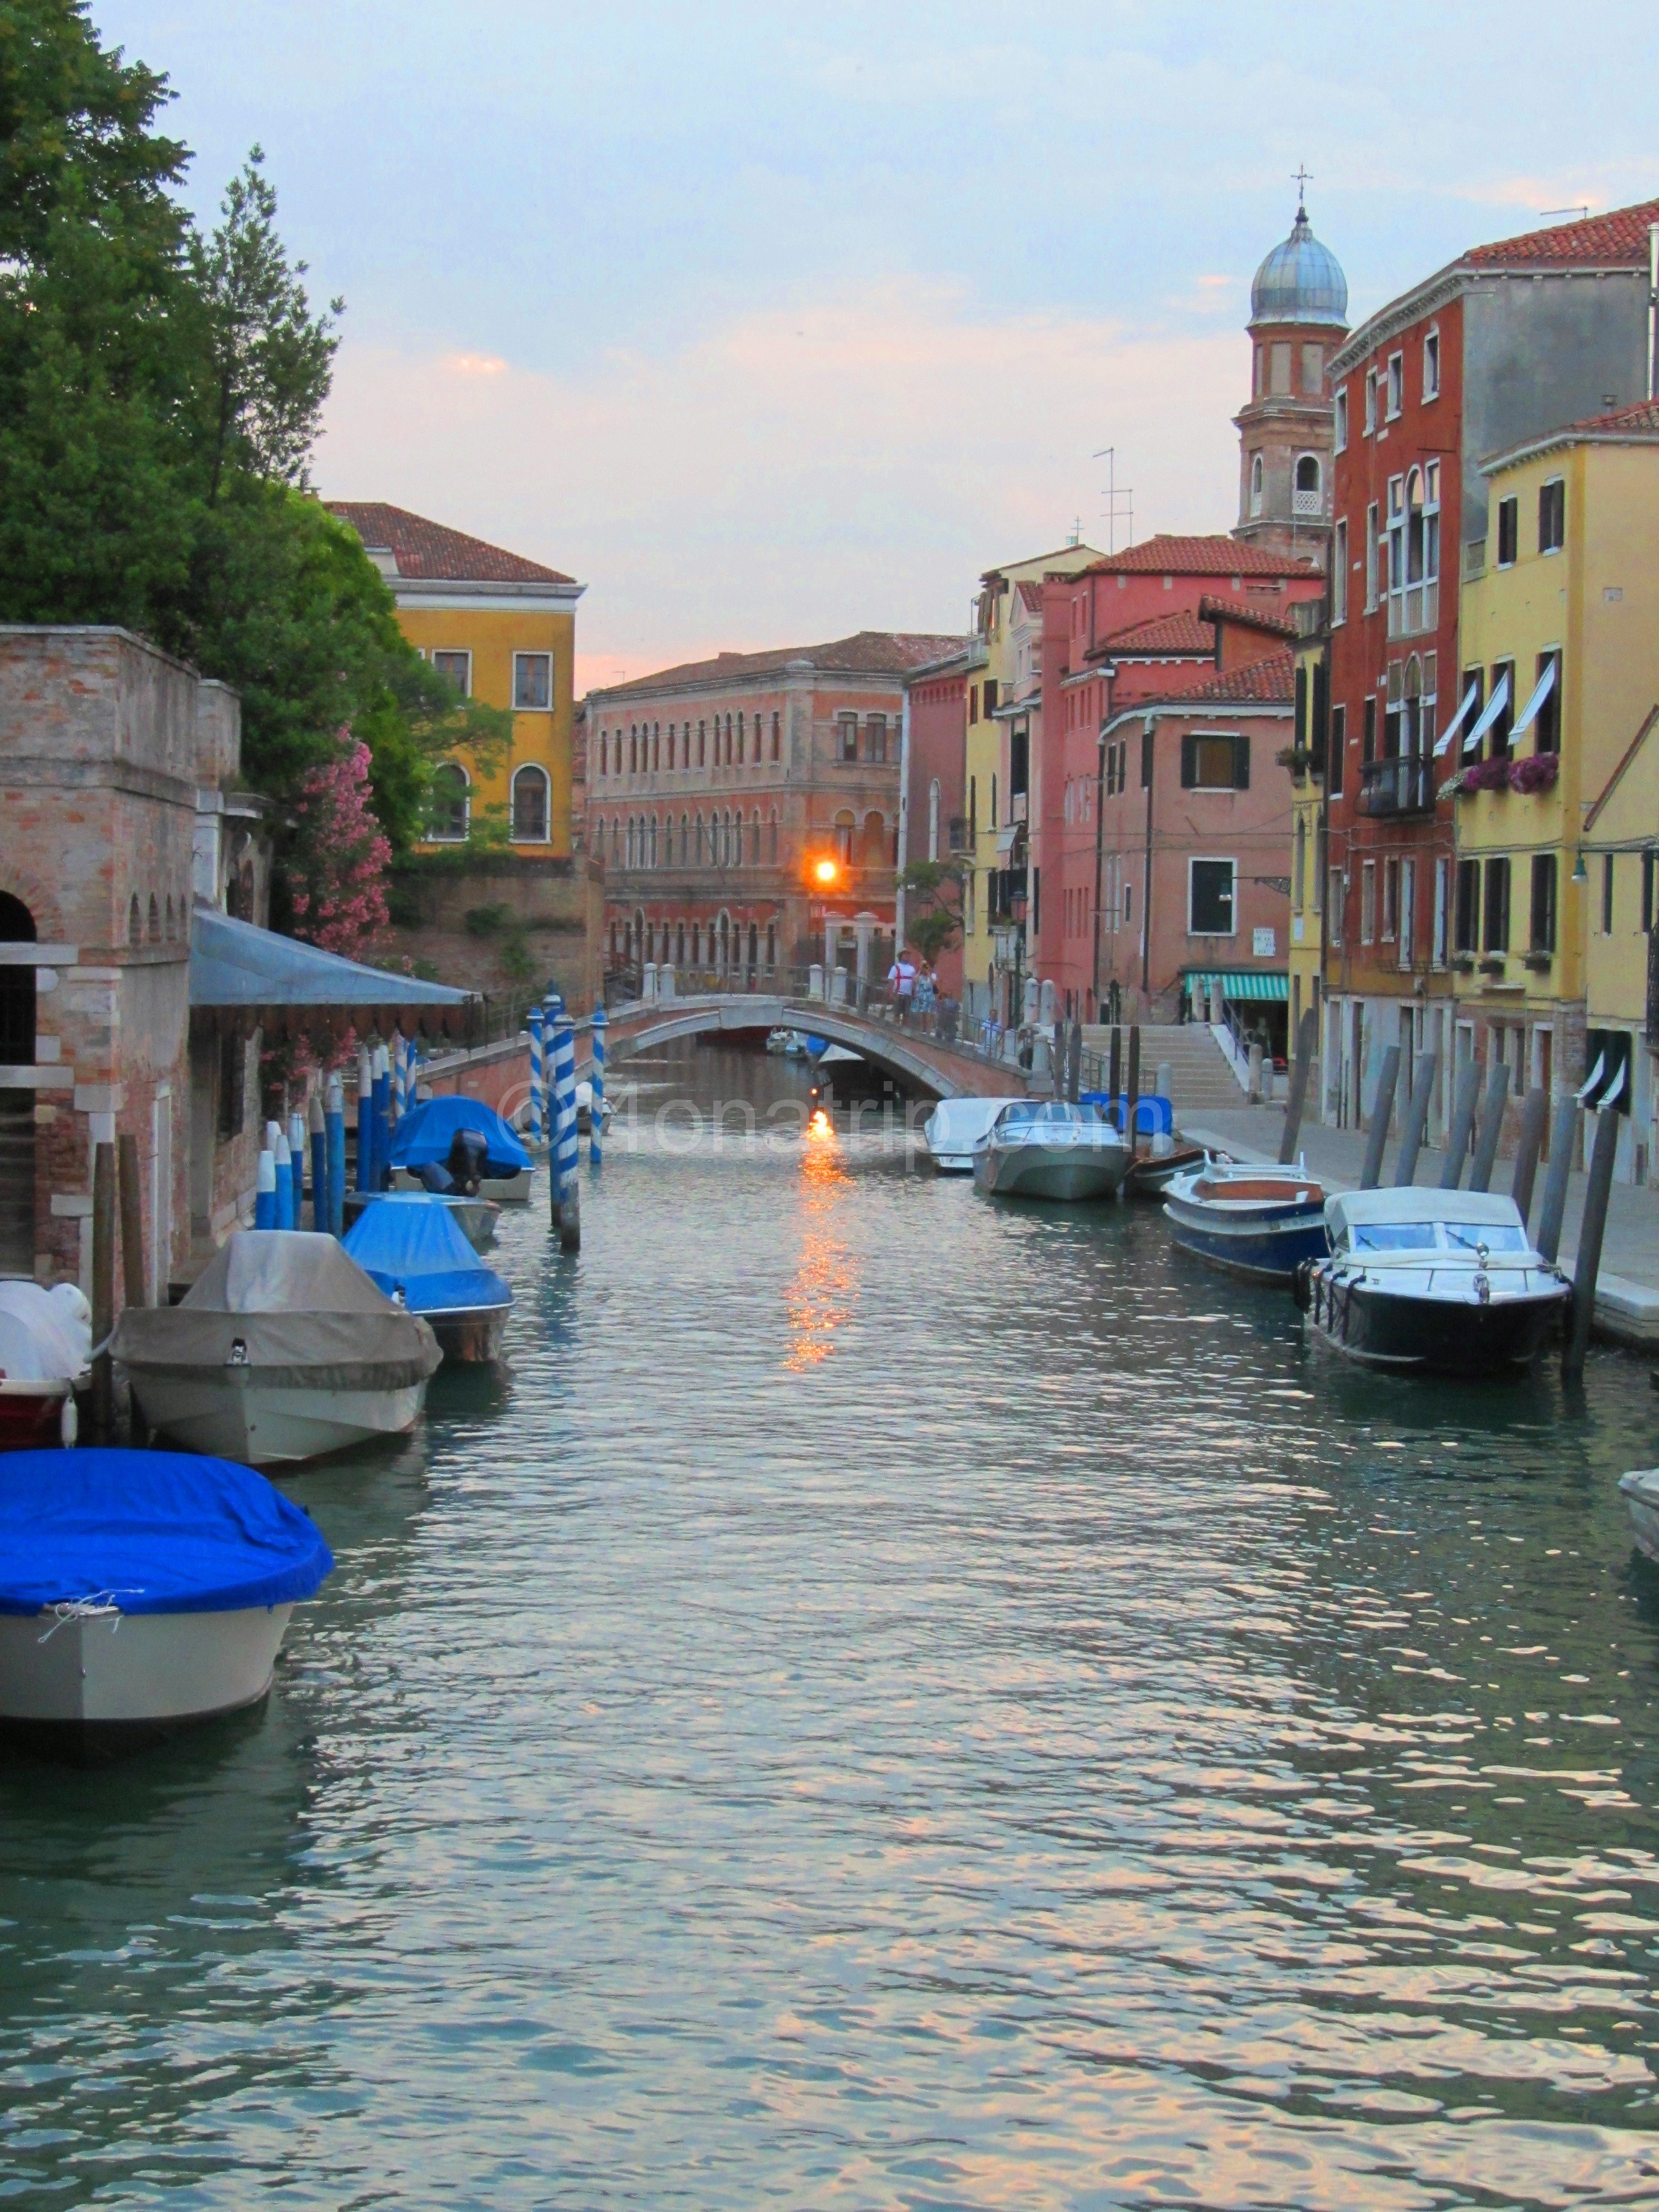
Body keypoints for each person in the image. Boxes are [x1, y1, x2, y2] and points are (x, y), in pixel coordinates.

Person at [887, 950, 918, 1022]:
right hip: (898, 994)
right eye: (905, 955)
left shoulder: (912, 969)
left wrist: (914, 993)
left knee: (906, 1015)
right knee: (897, 1014)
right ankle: (896, 1029)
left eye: (908, 955)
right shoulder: (895, 968)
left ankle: (904, 1030)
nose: (906, 957)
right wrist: (891, 993)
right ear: (901, 957)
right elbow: (891, 981)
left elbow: (914, 983)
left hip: (908, 994)